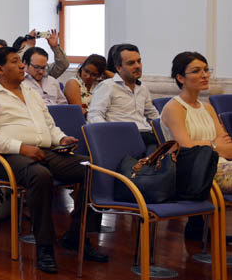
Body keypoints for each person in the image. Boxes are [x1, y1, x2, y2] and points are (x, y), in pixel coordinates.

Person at [0, 47, 108, 274]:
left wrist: (61, 137)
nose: (22, 65)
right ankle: (45, 247)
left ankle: (77, 234)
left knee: (91, 168)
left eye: (21, 61)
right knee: (40, 176)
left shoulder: (30, 93)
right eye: (15, 62)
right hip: (5, 158)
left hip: (43, 152)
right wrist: (21, 148)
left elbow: (49, 126)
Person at [161, 52, 232, 192]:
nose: (204, 75)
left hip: (218, 165)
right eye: (196, 71)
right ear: (180, 78)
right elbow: (186, 147)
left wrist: (207, 147)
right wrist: (213, 145)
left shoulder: (208, 108)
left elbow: (228, 147)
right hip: (195, 171)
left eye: (206, 70)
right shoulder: (174, 108)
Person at [87, 44, 159, 150]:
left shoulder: (142, 88)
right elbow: (94, 115)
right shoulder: (108, 86)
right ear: (119, 68)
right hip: (123, 137)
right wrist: (111, 134)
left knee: (173, 148)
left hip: (147, 135)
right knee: (160, 156)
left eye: (139, 61)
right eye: (131, 63)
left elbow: (153, 115)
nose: (137, 66)